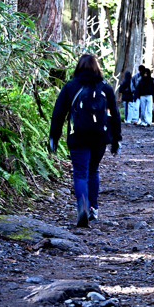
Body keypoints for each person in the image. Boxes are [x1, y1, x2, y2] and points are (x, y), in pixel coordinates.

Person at [48, 54, 122, 228]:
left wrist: (54, 138)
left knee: (80, 173)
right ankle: (93, 209)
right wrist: (116, 139)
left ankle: (82, 206)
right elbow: (114, 116)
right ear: (97, 67)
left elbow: (58, 115)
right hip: (100, 138)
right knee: (93, 171)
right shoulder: (105, 87)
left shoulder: (70, 87)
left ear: (78, 67)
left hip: (78, 136)